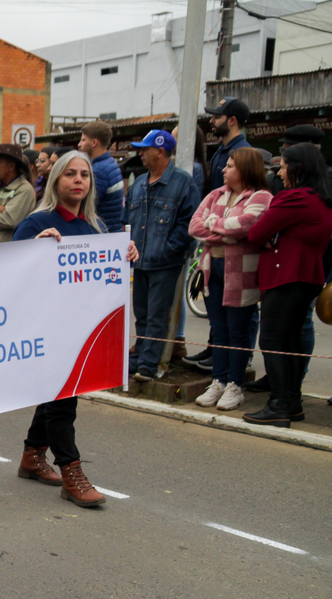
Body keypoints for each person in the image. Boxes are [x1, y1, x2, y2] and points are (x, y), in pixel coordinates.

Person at [13, 151, 139, 508]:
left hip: (78, 330)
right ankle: (72, 473)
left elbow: (101, 279)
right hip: (45, 329)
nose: (79, 179)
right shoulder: (37, 223)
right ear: (56, 180)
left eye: (84, 174)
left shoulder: (96, 229)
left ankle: (32, 456)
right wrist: (33, 249)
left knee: (60, 394)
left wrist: (124, 255)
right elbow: (9, 272)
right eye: (70, 173)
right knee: (63, 401)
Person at [242, 143, 332, 426]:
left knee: (272, 340)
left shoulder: (294, 198)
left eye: (282, 167)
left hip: (286, 277)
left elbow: (256, 233)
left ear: (297, 169)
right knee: (291, 340)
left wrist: (272, 236)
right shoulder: (322, 199)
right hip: (309, 277)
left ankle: (278, 404)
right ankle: (293, 402)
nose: (278, 173)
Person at [187, 149, 272, 411]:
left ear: (245, 169)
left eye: (230, 165)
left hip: (242, 272)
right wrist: (226, 230)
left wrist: (213, 223)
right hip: (212, 269)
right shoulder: (216, 194)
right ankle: (219, 381)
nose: (224, 169)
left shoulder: (261, 196)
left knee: (238, 330)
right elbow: (194, 226)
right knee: (219, 329)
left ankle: (235, 384)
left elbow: (246, 225)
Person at [123, 130, 200, 382]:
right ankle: (140, 357)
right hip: (140, 262)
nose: (141, 154)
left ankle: (148, 364)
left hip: (165, 263)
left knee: (157, 315)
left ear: (161, 151)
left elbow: (188, 222)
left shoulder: (183, 182)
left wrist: (169, 250)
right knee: (142, 313)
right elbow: (126, 220)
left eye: (145, 149)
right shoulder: (138, 183)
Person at [77, 121, 124, 234]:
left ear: (94, 142)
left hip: (102, 233)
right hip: (112, 231)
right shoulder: (110, 163)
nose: (79, 144)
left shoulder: (98, 171)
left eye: (83, 140)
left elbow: (87, 206)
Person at [204, 97, 252, 194]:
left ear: (232, 121)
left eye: (217, 117)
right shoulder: (220, 151)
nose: (211, 121)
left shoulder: (243, 153)